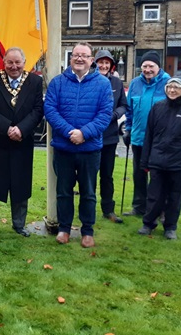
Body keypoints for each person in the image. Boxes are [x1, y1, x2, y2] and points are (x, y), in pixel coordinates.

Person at [44, 42, 113, 248]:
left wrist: (84, 133)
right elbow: (50, 110)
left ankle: (87, 231)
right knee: (63, 191)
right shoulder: (58, 83)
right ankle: (64, 228)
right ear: (70, 58)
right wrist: (69, 132)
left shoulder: (102, 84)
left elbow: (105, 115)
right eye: (76, 55)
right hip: (64, 148)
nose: (80, 59)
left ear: (91, 60)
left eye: (84, 56)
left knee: (88, 192)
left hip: (89, 149)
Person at [0, 47, 44, 237]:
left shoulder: (35, 81)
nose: (14, 66)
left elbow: (38, 110)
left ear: (24, 62)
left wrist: (21, 129)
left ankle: (19, 224)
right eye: (10, 62)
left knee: (20, 185)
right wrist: (7, 128)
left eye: (17, 62)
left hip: (22, 142)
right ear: (4, 62)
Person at [137, 76, 181, 239]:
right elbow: (149, 136)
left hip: (178, 163)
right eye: (169, 87)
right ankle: (148, 223)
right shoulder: (157, 107)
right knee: (154, 195)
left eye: (176, 87)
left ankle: (170, 226)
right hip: (157, 160)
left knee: (175, 197)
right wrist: (145, 160)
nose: (172, 90)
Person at [122, 50, 170, 217]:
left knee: (158, 176)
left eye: (151, 66)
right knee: (139, 174)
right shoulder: (135, 83)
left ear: (158, 67)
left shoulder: (168, 83)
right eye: (144, 66)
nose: (148, 69)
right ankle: (139, 207)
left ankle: (160, 209)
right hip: (138, 137)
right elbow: (129, 110)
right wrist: (127, 129)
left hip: (160, 140)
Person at [94, 50, 128, 223]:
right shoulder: (89, 80)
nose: (104, 66)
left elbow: (124, 105)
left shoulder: (116, 82)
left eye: (107, 63)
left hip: (110, 136)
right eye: (101, 62)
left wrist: (115, 115)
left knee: (107, 175)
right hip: (91, 135)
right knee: (90, 175)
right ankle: (88, 208)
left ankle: (109, 209)